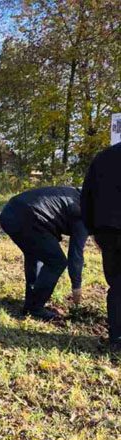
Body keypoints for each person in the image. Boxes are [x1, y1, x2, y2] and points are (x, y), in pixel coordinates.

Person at [0, 186, 88, 321]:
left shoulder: (75, 194)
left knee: (35, 254)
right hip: (28, 217)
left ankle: (31, 303)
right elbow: (75, 253)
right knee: (56, 262)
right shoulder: (84, 212)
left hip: (10, 212)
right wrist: (76, 286)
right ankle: (36, 308)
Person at [81, 142, 121, 355]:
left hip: (107, 230)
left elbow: (86, 196)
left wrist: (93, 229)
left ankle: (116, 338)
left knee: (116, 286)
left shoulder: (103, 157)